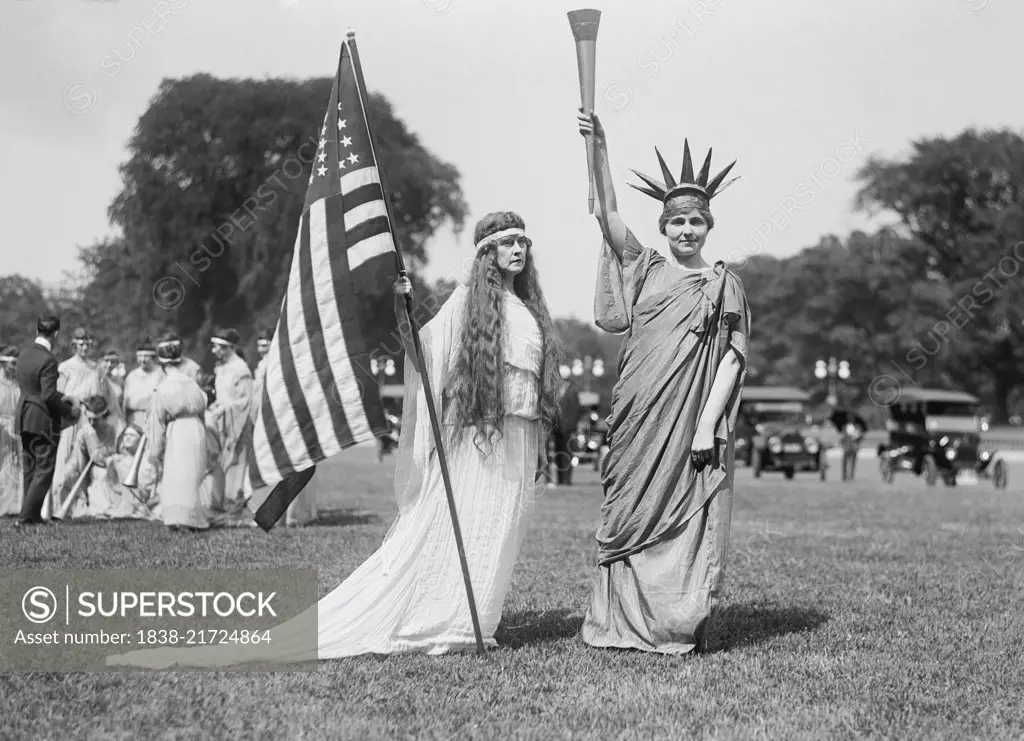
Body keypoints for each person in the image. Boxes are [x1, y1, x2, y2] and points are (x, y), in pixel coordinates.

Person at [105, 210, 563, 668]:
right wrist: (403, 309)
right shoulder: (467, 303)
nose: (518, 250)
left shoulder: (525, 307)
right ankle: (456, 618)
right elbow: (423, 353)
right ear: (486, 254)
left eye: (523, 242)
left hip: (519, 436)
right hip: (483, 437)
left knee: (502, 525)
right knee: (473, 520)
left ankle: (479, 614)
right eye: (507, 243)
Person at [576, 109, 751, 655]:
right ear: (663, 227)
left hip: (689, 420)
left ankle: (671, 620)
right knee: (626, 505)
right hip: (636, 412)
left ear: (709, 226)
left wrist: (705, 428)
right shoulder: (647, 268)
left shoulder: (725, 284)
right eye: (676, 222)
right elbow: (605, 213)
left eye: (695, 222)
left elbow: (731, 360)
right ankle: (619, 622)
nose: (685, 230)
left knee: (680, 507)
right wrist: (599, 150)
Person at [47, 327, 120, 519]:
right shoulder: (65, 367)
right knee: (68, 462)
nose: (85, 348)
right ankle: (63, 504)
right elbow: (59, 395)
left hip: (91, 420)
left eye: (88, 344)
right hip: (71, 420)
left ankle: (89, 502)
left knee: (92, 461)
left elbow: (105, 397)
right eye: (81, 344)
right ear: (74, 345)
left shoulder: (97, 369)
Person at [14, 317, 79, 527]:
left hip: (24, 415)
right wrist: (70, 409)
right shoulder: (48, 360)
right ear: (56, 334)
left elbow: (34, 388)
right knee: (44, 469)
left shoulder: (23, 354)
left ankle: (32, 516)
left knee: (30, 469)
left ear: (37, 330)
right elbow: (49, 395)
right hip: (43, 419)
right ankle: (25, 518)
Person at [147, 333, 210, 532]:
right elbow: (202, 408)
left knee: (178, 473)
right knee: (192, 473)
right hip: (196, 428)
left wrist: (155, 451)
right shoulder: (192, 383)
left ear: (162, 364)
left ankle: (181, 519)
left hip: (178, 430)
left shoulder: (163, 388)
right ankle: (189, 517)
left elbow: (157, 422)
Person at [207, 327, 254, 504]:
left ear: (228, 348)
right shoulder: (221, 369)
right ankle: (222, 499)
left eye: (217, 347)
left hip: (237, 425)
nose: (214, 351)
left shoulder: (241, 369)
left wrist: (224, 408)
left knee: (237, 463)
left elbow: (246, 401)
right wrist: (216, 405)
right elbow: (223, 396)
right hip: (222, 424)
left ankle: (235, 500)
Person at [60, 395, 126, 519]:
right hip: (80, 465)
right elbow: (97, 457)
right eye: (89, 419)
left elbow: (107, 453)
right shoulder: (88, 430)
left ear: (104, 415)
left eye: (96, 419)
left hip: (101, 465)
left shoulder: (110, 429)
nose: (92, 423)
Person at [0, 346, 24, 516]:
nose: (15, 368)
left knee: (14, 467)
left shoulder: (18, 384)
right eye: (13, 364)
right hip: (2, 431)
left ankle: (13, 505)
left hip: (16, 430)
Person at [122, 336, 164, 428]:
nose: (143, 360)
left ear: (153, 357)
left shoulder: (161, 374)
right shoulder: (131, 376)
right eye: (140, 356)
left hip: (154, 421)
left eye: (146, 356)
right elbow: (125, 404)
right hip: (132, 422)